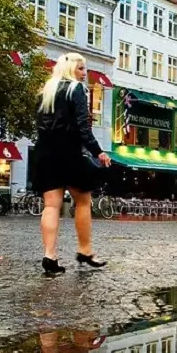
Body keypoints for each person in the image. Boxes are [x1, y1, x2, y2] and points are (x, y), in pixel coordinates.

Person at [33, 52, 112, 277]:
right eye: (80, 69)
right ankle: (85, 251)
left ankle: (50, 256)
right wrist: (99, 152)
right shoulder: (75, 89)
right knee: (84, 201)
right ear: (71, 70)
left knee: (51, 206)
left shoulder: (45, 91)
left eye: (85, 69)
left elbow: (41, 124)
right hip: (68, 152)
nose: (84, 73)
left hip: (46, 152)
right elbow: (82, 127)